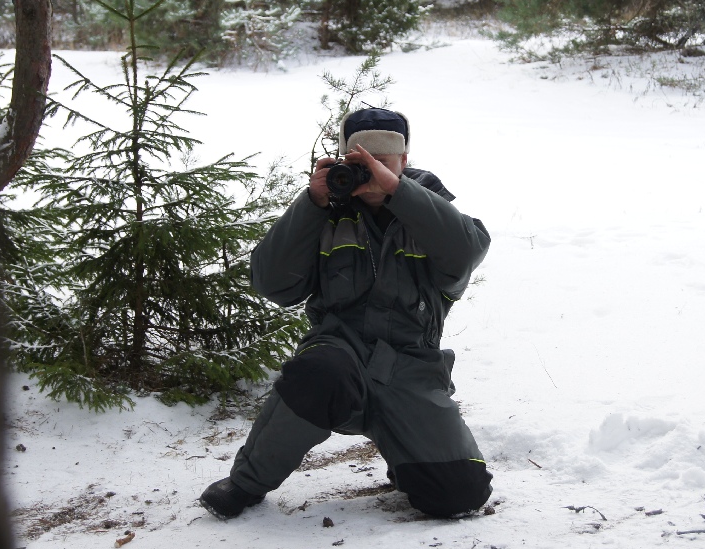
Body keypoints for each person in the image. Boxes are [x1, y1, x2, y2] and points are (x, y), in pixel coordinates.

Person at [199, 107, 493, 519]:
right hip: (340, 355)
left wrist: (399, 193)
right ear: (342, 161)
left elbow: (467, 252)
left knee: (459, 495)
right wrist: (312, 203)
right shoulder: (326, 214)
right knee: (317, 371)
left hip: (411, 370)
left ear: (403, 162)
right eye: (359, 164)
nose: (370, 174)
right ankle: (247, 482)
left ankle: (406, 455)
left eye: (383, 164)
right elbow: (273, 285)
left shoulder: (431, 213)